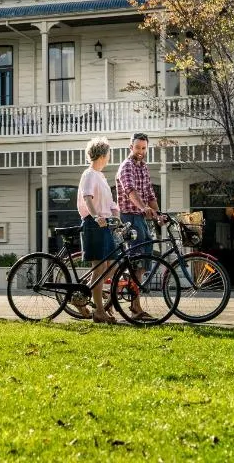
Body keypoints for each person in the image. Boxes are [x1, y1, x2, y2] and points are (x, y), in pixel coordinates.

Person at [77, 136, 120, 324]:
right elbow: (87, 198)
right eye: (108, 153)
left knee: (113, 265)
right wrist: (96, 217)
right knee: (99, 267)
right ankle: (99, 312)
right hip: (94, 223)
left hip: (105, 224)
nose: (109, 156)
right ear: (103, 154)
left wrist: (116, 214)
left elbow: (109, 203)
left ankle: (81, 296)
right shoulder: (89, 174)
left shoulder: (101, 176)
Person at [116, 132, 158, 321]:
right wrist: (144, 208)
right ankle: (135, 306)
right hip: (129, 218)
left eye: (144, 148)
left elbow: (150, 194)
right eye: (137, 147)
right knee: (136, 262)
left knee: (141, 263)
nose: (140, 151)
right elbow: (130, 191)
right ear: (130, 147)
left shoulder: (144, 168)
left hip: (140, 218)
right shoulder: (126, 167)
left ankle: (134, 303)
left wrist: (158, 214)